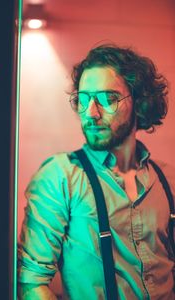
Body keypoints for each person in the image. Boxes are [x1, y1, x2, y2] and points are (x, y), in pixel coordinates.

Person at [18, 44, 175, 299]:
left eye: (107, 99)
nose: (91, 113)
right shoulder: (60, 177)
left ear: (140, 102)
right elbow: (32, 285)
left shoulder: (168, 180)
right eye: (83, 99)